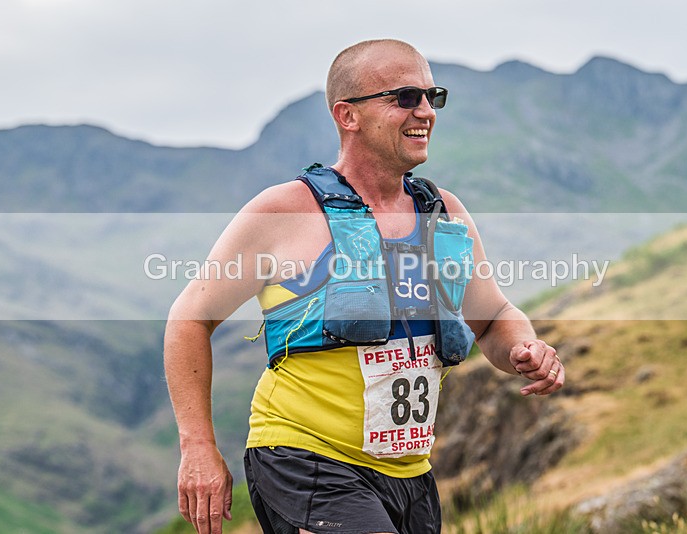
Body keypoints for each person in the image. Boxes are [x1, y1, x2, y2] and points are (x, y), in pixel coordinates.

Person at [164, 38, 564, 534]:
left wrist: (526, 347)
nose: (425, 111)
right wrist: (198, 446)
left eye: (431, 97)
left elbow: (493, 318)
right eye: (405, 97)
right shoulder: (286, 211)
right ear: (347, 115)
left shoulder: (444, 214)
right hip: (304, 459)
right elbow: (190, 317)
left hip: (409, 473)